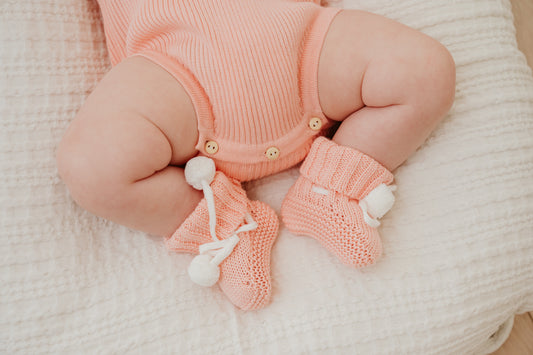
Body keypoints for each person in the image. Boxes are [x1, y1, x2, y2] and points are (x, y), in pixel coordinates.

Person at [56, 0, 455, 310]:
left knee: (424, 70)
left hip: (297, 40)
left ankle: (329, 191)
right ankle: (226, 224)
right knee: (91, 167)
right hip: (175, 68)